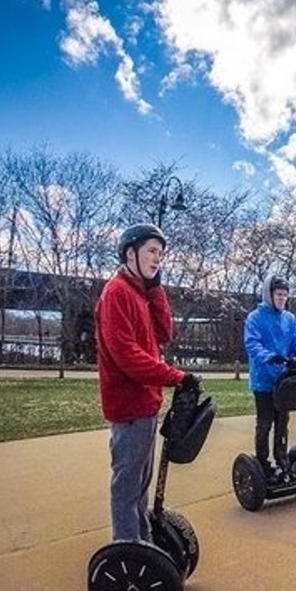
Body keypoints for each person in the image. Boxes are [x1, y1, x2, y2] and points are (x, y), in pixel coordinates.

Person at [95, 223, 197, 543]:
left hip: (146, 406)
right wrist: (176, 376)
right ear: (130, 253)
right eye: (152, 251)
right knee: (127, 490)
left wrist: (155, 289)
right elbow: (127, 356)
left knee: (140, 486)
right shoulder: (116, 293)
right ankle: (127, 550)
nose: (158, 258)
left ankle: (143, 545)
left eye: (161, 254)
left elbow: (166, 333)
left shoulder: (139, 293)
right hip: (128, 408)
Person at [244, 276, 296, 477]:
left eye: (285, 295)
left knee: (282, 422)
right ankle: (263, 462)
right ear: (269, 295)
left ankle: (282, 458)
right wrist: (269, 356)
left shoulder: (289, 319)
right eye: (279, 294)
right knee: (265, 423)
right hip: (264, 380)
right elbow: (252, 344)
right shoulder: (255, 318)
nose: (282, 298)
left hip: (285, 381)